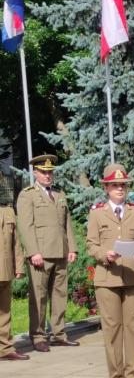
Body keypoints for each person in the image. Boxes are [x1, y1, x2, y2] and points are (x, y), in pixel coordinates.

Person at [86, 164, 134, 378]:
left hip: (133, 277)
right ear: (107, 188)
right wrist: (105, 254)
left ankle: (133, 376)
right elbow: (91, 245)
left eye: (123, 185)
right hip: (107, 278)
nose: (120, 189)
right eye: (115, 185)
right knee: (112, 331)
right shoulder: (97, 212)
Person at [16, 154, 78, 352]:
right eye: (44, 172)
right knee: (39, 296)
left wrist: (72, 247)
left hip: (60, 251)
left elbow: (66, 222)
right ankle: (38, 335)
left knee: (60, 295)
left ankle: (59, 333)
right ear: (35, 173)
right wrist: (33, 251)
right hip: (40, 254)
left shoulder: (59, 194)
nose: (48, 175)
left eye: (50, 172)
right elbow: (26, 226)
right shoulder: (28, 195)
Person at [0, 202, 28, 361]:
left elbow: (16, 242)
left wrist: (19, 267)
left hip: (5, 269)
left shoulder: (8, 211)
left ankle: (5, 348)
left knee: (4, 312)